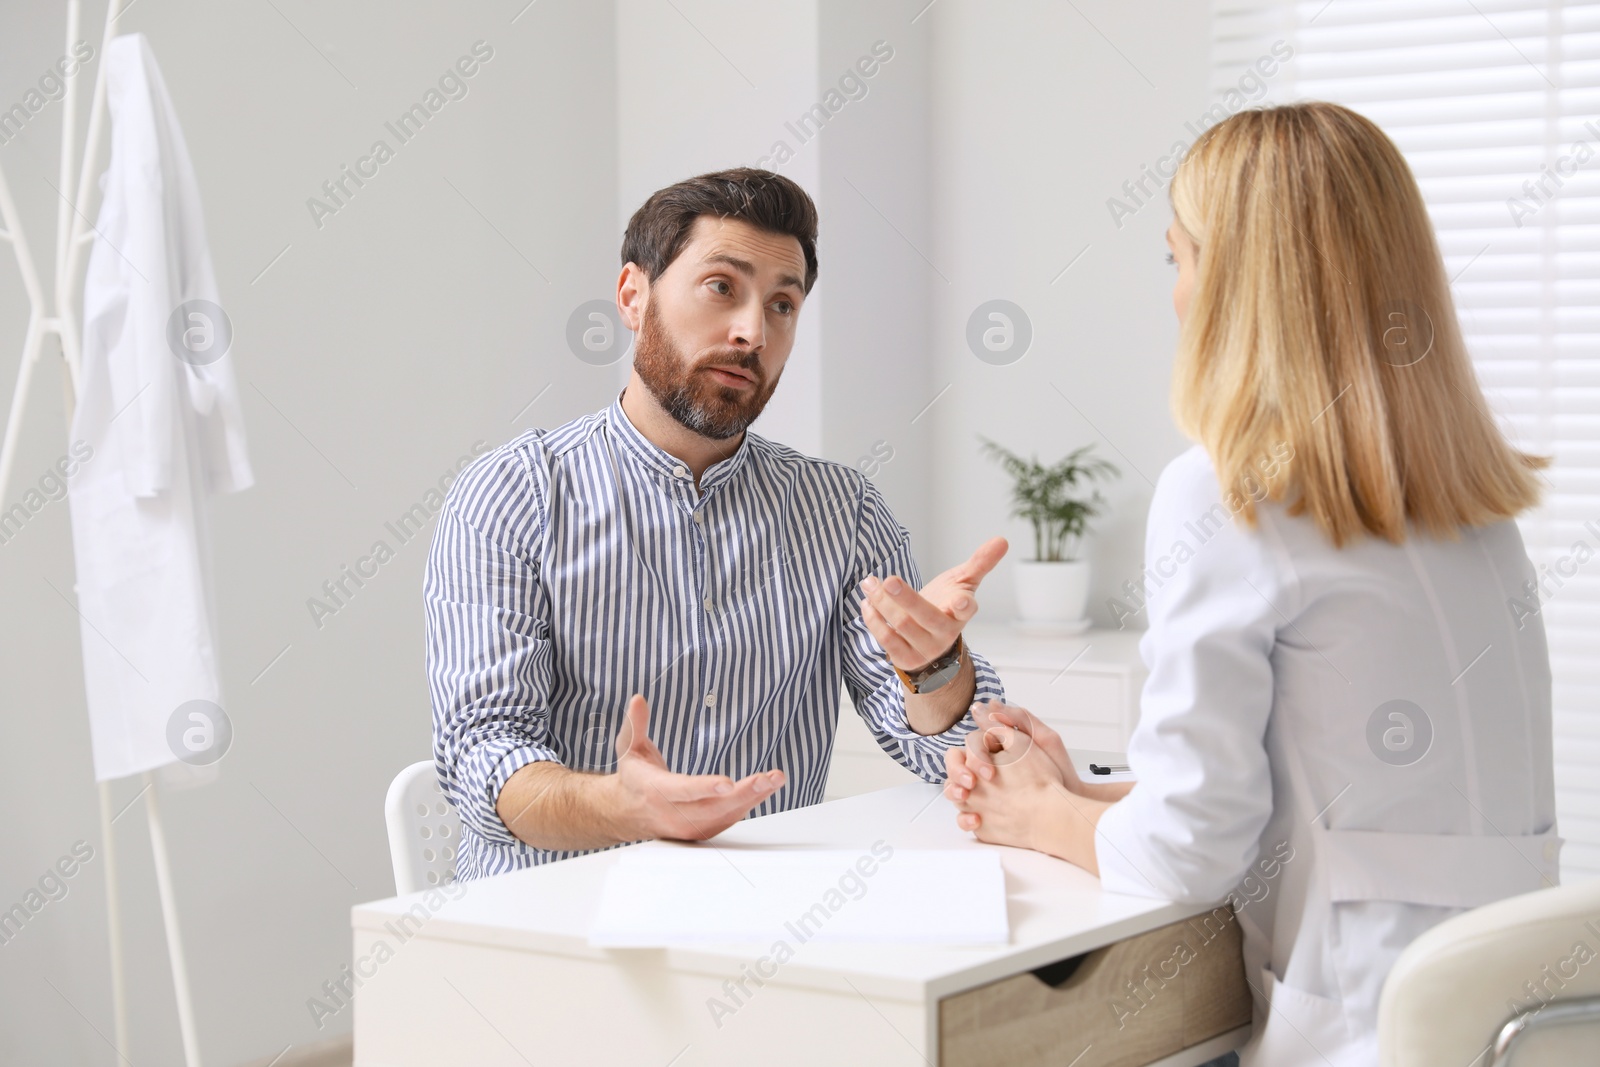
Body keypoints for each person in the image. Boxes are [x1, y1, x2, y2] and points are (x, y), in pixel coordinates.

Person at [943, 103, 1560, 1067]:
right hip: (1521, 1022)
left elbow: (1190, 856)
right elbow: (1354, 810)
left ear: (1236, 283)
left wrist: (1036, 816)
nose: (1176, 292)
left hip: (1368, 1028)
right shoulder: (1474, 510)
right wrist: (1093, 794)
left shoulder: (1230, 494)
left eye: (1177, 258)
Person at [425, 167, 1009, 880]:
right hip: (549, 930)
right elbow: (482, 755)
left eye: (783, 304)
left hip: (757, 924)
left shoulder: (843, 511)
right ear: (633, 296)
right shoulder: (512, 495)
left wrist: (936, 666)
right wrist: (625, 806)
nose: (751, 331)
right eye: (721, 287)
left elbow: (942, 755)